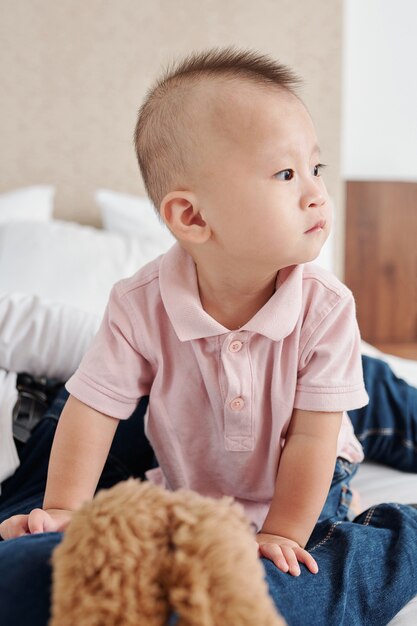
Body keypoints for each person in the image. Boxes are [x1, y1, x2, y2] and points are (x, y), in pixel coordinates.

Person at [1, 48, 417, 625]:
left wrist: (279, 532)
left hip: (304, 479)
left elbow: (313, 440)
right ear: (192, 218)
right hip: (193, 481)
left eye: (315, 168)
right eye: (286, 174)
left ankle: (390, 526)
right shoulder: (138, 302)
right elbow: (92, 409)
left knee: (304, 553)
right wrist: (67, 510)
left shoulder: (327, 307)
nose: (317, 192)